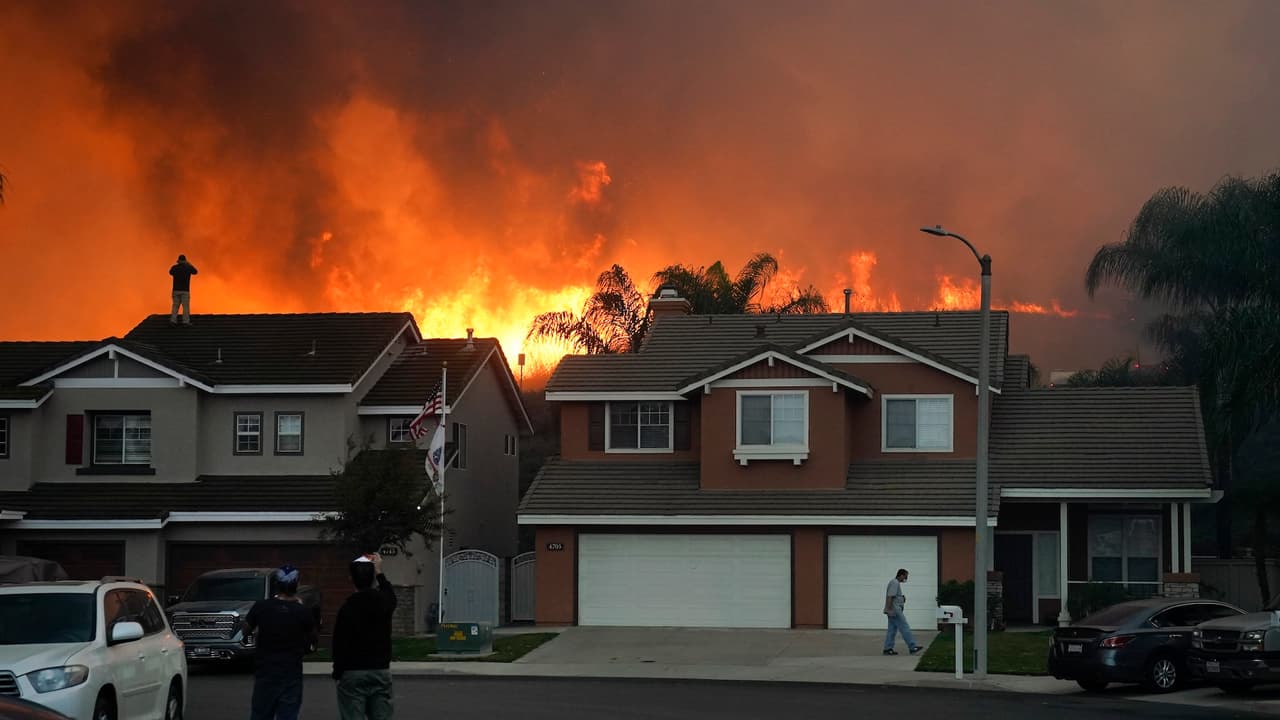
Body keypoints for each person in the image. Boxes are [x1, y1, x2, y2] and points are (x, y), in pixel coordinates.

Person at [243, 565, 317, 720]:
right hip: (291, 672)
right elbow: (312, 639)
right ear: (296, 585)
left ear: (276, 584)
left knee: (261, 714)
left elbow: (245, 629)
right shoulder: (303, 611)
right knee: (288, 715)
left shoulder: (262, 606)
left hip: (266, 670)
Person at [333, 553, 397, 720]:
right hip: (380, 670)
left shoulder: (347, 608)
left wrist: (338, 673)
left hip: (352, 672)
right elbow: (390, 594)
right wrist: (379, 571)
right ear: (373, 579)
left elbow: (339, 644)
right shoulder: (383, 602)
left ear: (351, 579)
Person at [883, 568, 923, 655]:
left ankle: (887, 649)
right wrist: (889, 609)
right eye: (905, 576)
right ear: (901, 575)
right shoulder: (895, 583)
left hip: (893, 610)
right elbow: (890, 596)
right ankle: (912, 647)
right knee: (905, 627)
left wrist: (901, 598)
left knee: (892, 630)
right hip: (895, 610)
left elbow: (894, 596)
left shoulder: (895, 583)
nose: (906, 578)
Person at [169, 254, 198, 325]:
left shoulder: (174, 268)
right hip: (185, 290)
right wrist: (188, 263)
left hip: (176, 290)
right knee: (185, 307)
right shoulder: (188, 268)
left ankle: (173, 320)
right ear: (185, 261)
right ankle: (185, 321)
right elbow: (195, 271)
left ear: (178, 261)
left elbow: (170, 272)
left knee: (175, 306)